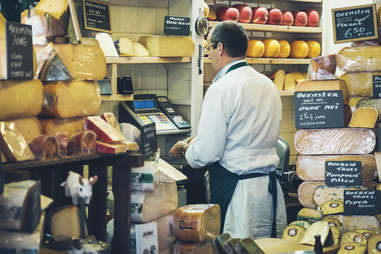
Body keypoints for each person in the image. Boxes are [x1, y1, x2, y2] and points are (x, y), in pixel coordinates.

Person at [170, 20, 287, 239]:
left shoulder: (221, 88)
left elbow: (207, 152)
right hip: (269, 192)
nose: (208, 55)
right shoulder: (268, 85)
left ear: (220, 48)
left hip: (239, 197)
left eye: (209, 48)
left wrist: (188, 151)